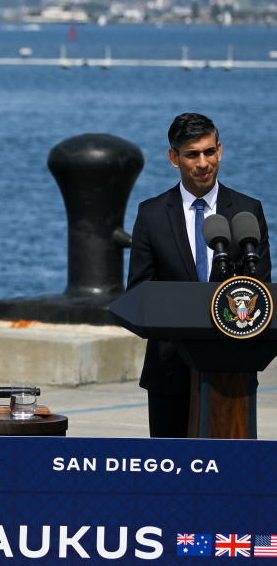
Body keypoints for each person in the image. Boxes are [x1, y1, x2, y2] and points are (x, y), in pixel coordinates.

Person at [128, 112, 271, 438]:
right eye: (192, 154)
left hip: (233, 368)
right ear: (174, 158)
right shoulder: (151, 215)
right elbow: (139, 291)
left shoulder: (249, 211)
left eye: (209, 152)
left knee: (231, 470)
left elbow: (260, 286)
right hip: (169, 370)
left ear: (219, 150)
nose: (203, 162)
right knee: (171, 473)